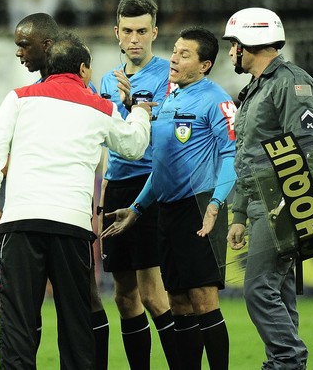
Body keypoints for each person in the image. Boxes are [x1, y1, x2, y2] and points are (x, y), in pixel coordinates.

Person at [0, 31, 151, 370]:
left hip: (22, 220)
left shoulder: (20, 97)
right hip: (71, 225)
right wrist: (140, 112)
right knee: (76, 320)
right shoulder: (100, 106)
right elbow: (133, 147)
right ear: (84, 69)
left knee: (17, 320)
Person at [103, 26, 236, 370]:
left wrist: (215, 204)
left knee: (204, 299)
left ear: (205, 65)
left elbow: (232, 154)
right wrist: (137, 208)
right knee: (177, 302)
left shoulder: (215, 99)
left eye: (185, 54)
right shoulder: (170, 99)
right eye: (175, 51)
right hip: (168, 211)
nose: (174, 58)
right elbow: (160, 169)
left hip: (200, 206)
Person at [223, 8, 313, 370]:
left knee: (259, 289)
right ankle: (286, 363)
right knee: (278, 292)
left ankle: (287, 360)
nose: (231, 51)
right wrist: (238, 215)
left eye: (234, 44)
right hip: (261, 204)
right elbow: (249, 159)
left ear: (249, 43)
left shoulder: (293, 84)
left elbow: (310, 151)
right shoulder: (256, 89)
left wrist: (291, 204)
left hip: (285, 204)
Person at [13, 13, 111, 368]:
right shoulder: (23, 95)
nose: (19, 53)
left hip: (68, 212)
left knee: (85, 297)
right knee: (26, 303)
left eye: (25, 44)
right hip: (31, 208)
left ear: (49, 46)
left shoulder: (85, 93)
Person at [95, 0, 179, 369]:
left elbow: (173, 129)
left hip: (151, 185)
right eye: (127, 31)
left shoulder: (169, 76)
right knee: (123, 296)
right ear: (116, 33)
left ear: (154, 33)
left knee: (153, 294)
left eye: (142, 31)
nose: (134, 39)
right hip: (116, 184)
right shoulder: (104, 80)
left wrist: (133, 106)